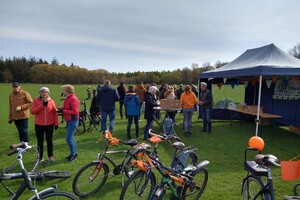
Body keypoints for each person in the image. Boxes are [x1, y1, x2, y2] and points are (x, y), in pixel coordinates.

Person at [31, 87, 58, 162]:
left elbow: (54, 113)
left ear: (48, 93)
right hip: (39, 124)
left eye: (46, 92)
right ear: (39, 93)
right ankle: (39, 157)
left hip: (50, 124)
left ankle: (50, 156)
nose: (44, 93)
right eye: (42, 92)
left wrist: (56, 123)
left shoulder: (52, 101)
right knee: (40, 141)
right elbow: (33, 111)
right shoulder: (36, 101)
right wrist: (42, 105)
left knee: (49, 141)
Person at [58, 84, 80, 162]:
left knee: (68, 138)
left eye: (63, 90)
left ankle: (73, 154)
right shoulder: (68, 98)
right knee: (71, 138)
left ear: (68, 91)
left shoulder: (73, 99)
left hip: (73, 120)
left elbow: (75, 111)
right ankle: (74, 153)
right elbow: (68, 108)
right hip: (69, 120)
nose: (62, 92)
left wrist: (63, 111)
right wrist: (62, 108)